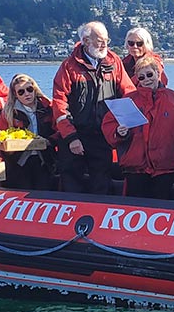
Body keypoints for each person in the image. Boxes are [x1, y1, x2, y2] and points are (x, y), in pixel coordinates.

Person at [52, 21, 135, 194]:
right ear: (86, 41)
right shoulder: (68, 67)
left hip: (102, 136)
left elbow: (128, 92)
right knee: (72, 183)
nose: (104, 45)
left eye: (106, 40)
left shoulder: (114, 62)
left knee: (102, 183)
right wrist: (71, 137)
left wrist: (126, 124)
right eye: (100, 41)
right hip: (75, 136)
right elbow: (60, 104)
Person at [102, 56, 174, 199]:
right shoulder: (128, 100)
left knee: (161, 204)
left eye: (149, 74)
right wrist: (119, 132)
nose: (146, 79)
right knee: (136, 206)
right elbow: (109, 124)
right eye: (141, 77)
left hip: (165, 168)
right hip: (136, 168)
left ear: (157, 73)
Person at [0, 74, 57, 190]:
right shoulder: (9, 112)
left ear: (34, 89)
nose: (27, 94)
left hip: (44, 159)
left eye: (29, 89)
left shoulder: (48, 107)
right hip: (18, 161)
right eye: (21, 92)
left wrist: (50, 141)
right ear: (15, 95)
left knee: (45, 190)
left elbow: (59, 130)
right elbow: (0, 135)